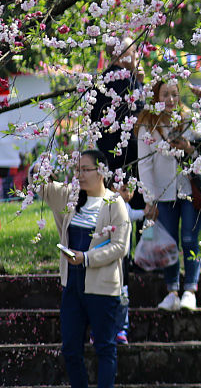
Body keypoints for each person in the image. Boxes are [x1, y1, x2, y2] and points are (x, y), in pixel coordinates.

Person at [44, 149, 131, 388]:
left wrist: (87, 258)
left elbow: (120, 246)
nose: (80, 175)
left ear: (101, 171)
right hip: (72, 284)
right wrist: (39, 168)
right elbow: (42, 187)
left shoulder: (114, 203)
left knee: (104, 348)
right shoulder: (71, 197)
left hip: (102, 286)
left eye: (85, 170)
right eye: (77, 170)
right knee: (71, 349)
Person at [136, 79, 201, 311]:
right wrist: (150, 199)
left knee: (189, 238)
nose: (171, 100)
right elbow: (144, 165)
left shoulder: (188, 118)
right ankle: (172, 289)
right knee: (169, 242)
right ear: (156, 96)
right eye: (165, 94)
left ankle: (190, 290)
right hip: (162, 193)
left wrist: (189, 149)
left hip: (187, 189)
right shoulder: (148, 123)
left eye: (175, 94)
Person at [91, 38, 143, 182]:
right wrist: (140, 84)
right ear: (121, 53)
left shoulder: (100, 81)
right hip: (130, 155)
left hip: (107, 154)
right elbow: (141, 112)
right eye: (134, 51)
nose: (137, 56)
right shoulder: (126, 80)